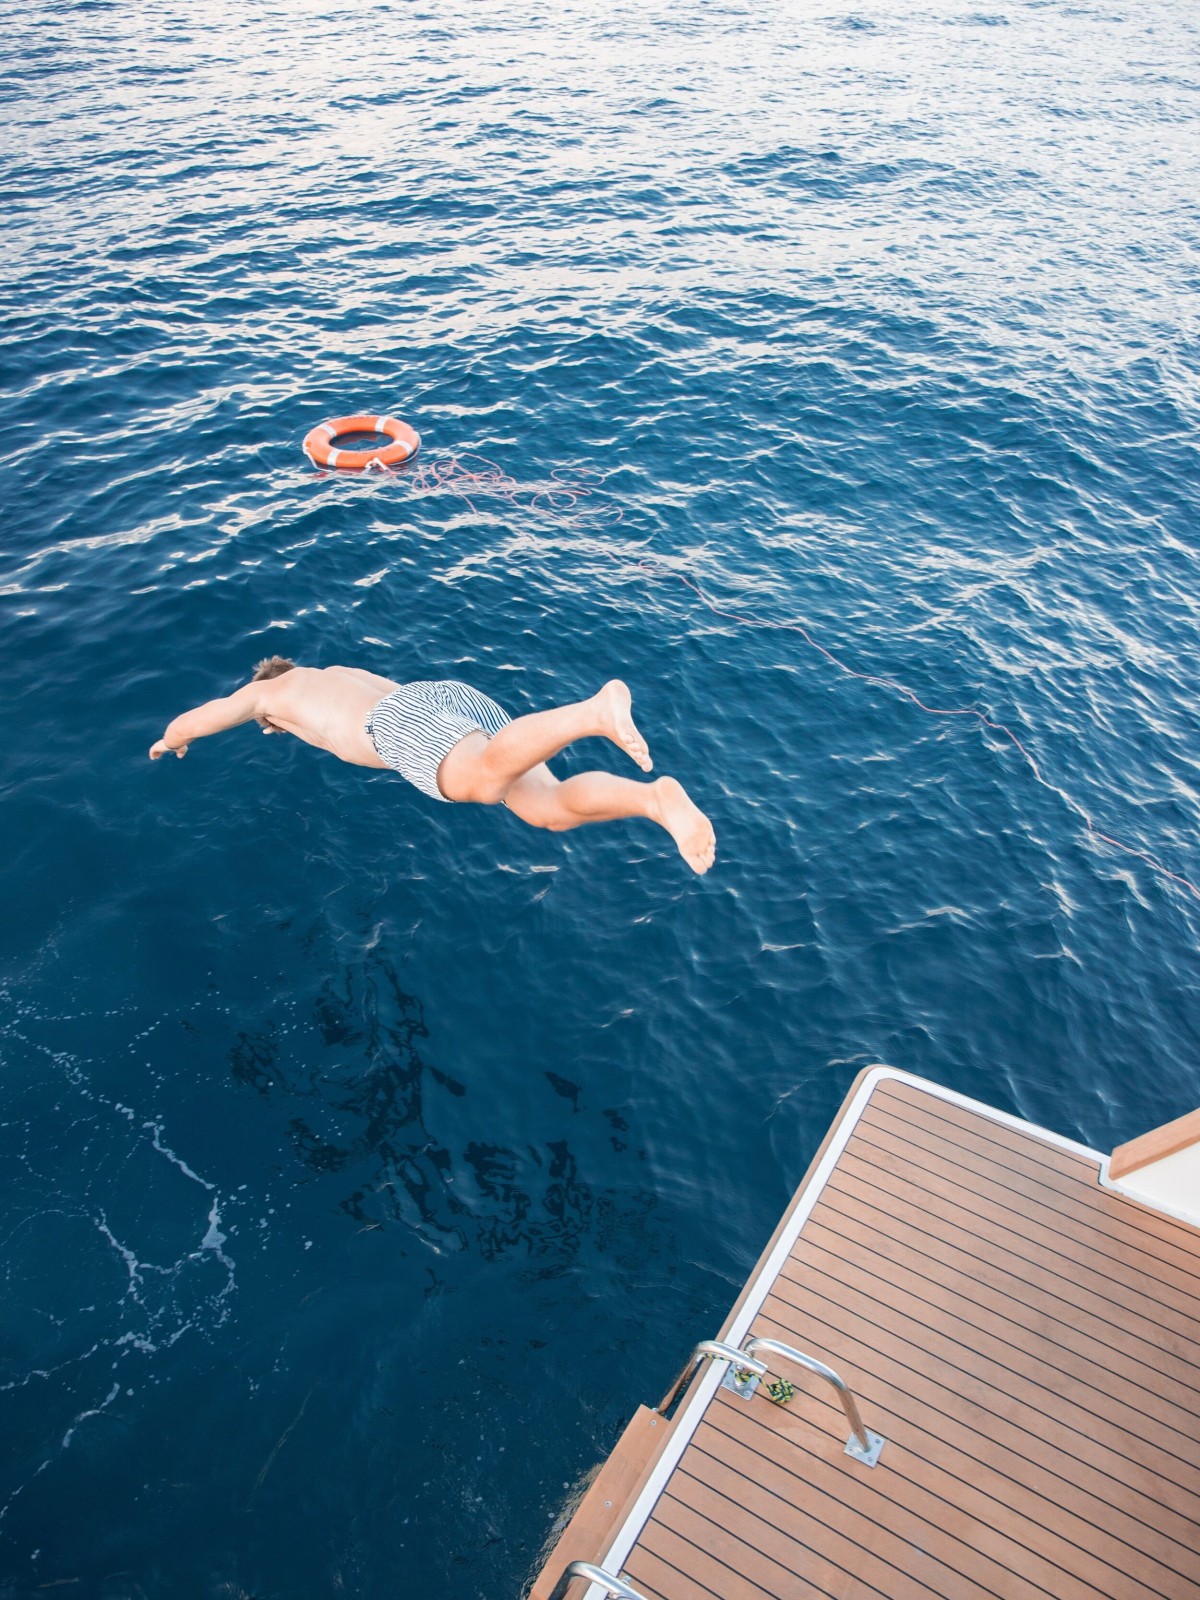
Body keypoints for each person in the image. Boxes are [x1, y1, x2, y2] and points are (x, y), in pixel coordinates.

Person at [149, 658, 716, 874]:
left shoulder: (267, 696)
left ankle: (595, 711)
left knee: (482, 780)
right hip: (443, 696)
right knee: (548, 809)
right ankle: (654, 799)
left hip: (397, 724)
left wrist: (169, 739)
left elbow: (208, 715)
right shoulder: (332, 672)